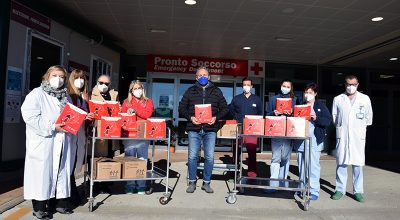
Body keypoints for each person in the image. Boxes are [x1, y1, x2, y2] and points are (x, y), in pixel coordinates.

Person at [21, 65, 74, 219]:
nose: (58, 79)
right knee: (42, 174)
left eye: (62, 76)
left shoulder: (66, 96)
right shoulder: (37, 94)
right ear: (47, 77)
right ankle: (39, 208)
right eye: (54, 75)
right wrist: (52, 127)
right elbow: (30, 117)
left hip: (62, 140)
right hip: (44, 141)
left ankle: (59, 204)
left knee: (60, 172)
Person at [179, 67, 229, 193]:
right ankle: (192, 182)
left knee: (209, 157)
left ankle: (206, 183)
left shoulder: (216, 91)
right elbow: (181, 108)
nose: (202, 77)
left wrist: (216, 118)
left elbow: (225, 109)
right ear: (196, 77)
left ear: (209, 77)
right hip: (194, 129)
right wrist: (190, 117)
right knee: (192, 157)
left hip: (210, 129)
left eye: (205, 75)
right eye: (200, 75)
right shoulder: (190, 91)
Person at [331, 75, 373, 203]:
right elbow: (335, 118)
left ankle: (358, 191)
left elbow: (368, 117)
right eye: (349, 84)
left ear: (358, 84)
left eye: (353, 84)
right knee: (341, 163)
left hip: (357, 136)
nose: (351, 87)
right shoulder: (338, 99)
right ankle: (340, 189)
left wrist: (358, 128)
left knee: (357, 164)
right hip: (342, 135)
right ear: (345, 85)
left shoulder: (364, 99)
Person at [294, 83, 332, 201]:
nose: (308, 95)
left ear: (315, 94)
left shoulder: (320, 106)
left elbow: (328, 121)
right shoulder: (300, 105)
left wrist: (316, 118)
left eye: (310, 92)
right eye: (306, 92)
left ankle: (313, 190)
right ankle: (301, 188)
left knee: (313, 167)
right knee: (302, 166)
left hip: (314, 140)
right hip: (301, 141)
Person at [121, 80, 154, 195]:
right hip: (129, 135)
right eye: (135, 88)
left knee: (142, 160)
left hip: (143, 135)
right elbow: (123, 117)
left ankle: (141, 185)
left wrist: (136, 110)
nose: (137, 90)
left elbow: (147, 114)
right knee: (129, 160)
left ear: (142, 89)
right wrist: (127, 112)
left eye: (139, 88)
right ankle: (130, 185)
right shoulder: (126, 102)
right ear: (131, 91)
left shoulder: (148, 101)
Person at [66, 69, 93, 206]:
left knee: (75, 164)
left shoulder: (83, 98)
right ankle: (70, 196)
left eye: (82, 78)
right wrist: (83, 116)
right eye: (77, 78)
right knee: (68, 167)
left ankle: (72, 194)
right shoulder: (67, 95)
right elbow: (67, 116)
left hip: (79, 137)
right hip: (69, 137)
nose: (80, 81)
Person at [265, 79, 297, 193]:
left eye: (288, 86)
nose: (286, 88)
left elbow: (297, 116)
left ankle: (282, 181)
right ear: (280, 86)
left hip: (289, 131)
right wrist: (274, 113)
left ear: (291, 88)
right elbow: (267, 114)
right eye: (284, 86)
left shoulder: (294, 100)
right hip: (276, 131)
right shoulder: (273, 99)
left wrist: (292, 113)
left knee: (285, 158)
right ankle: (273, 184)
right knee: (275, 157)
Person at [229, 78, 263, 177]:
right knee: (236, 151)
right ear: (242, 86)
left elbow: (260, 113)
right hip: (238, 128)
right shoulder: (236, 98)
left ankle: (251, 174)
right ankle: (234, 173)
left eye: (248, 85)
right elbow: (231, 111)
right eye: (244, 84)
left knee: (252, 152)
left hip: (252, 130)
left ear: (251, 86)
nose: (246, 86)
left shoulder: (256, 99)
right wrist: (237, 118)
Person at [90, 74, 119, 157]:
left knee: (109, 157)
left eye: (106, 84)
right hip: (97, 130)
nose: (104, 85)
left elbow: (118, 108)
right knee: (96, 156)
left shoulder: (114, 94)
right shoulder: (90, 94)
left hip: (111, 130)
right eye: (101, 82)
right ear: (97, 82)